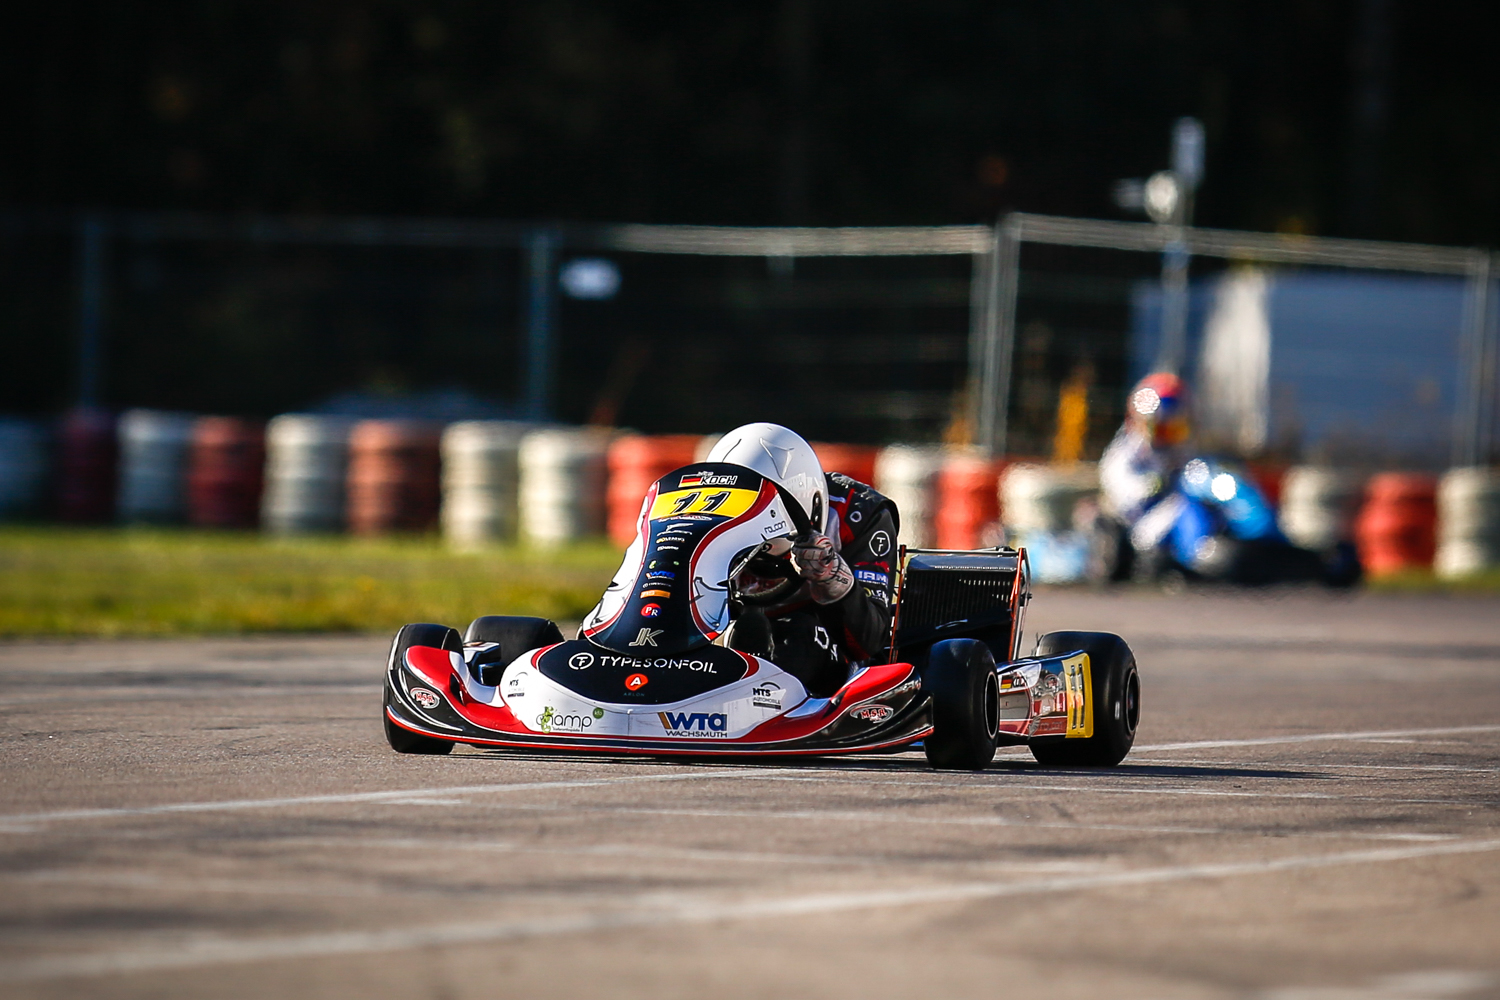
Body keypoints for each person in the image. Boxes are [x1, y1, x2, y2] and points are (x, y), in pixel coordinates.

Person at [705, 423, 898, 696]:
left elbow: (870, 641)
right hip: (731, 626)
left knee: (798, 632)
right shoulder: (695, 517)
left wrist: (833, 579)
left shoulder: (857, 513)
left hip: (824, 643)